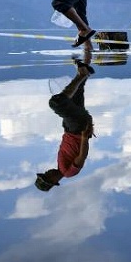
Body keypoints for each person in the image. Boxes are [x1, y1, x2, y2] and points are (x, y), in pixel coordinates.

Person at [35, 54, 95, 191]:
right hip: (78, 128)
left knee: (76, 94)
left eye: (44, 174)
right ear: (53, 181)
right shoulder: (68, 172)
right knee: (56, 103)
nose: (47, 172)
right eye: (47, 176)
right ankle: (81, 75)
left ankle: (84, 73)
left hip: (70, 127)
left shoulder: (60, 166)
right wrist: (85, 137)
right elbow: (82, 157)